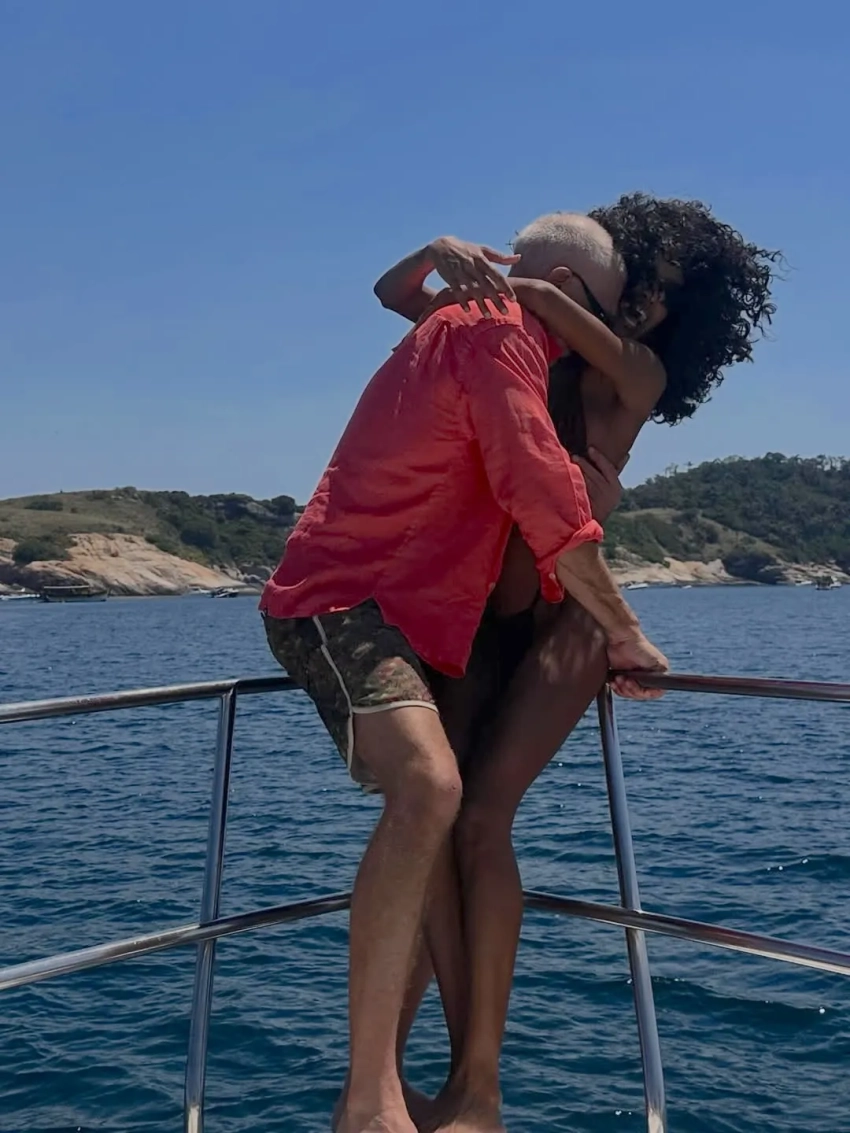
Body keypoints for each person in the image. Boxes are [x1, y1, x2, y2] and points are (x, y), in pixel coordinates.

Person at [374, 196, 779, 1132]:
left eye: (663, 295)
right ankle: (394, 1083)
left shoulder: (636, 374)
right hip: (475, 615)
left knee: (482, 821)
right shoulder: (522, 349)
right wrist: (442, 256)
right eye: (639, 280)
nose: (644, 303)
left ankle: (478, 1087)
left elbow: (562, 313)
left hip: (568, 625)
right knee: (433, 829)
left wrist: (519, 281)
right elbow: (398, 299)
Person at [259, 213, 670, 1133]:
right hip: (340, 597)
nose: (594, 334)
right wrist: (627, 632)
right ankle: (371, 1100)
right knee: (431, 790)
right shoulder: (494, 333)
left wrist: (444, 262)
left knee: (442, 811)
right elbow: (543, 494)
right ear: (567, 291)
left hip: (413, 617)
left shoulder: (495, 330)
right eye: (597, 308)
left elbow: (403, 301)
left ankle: (414, 1094)